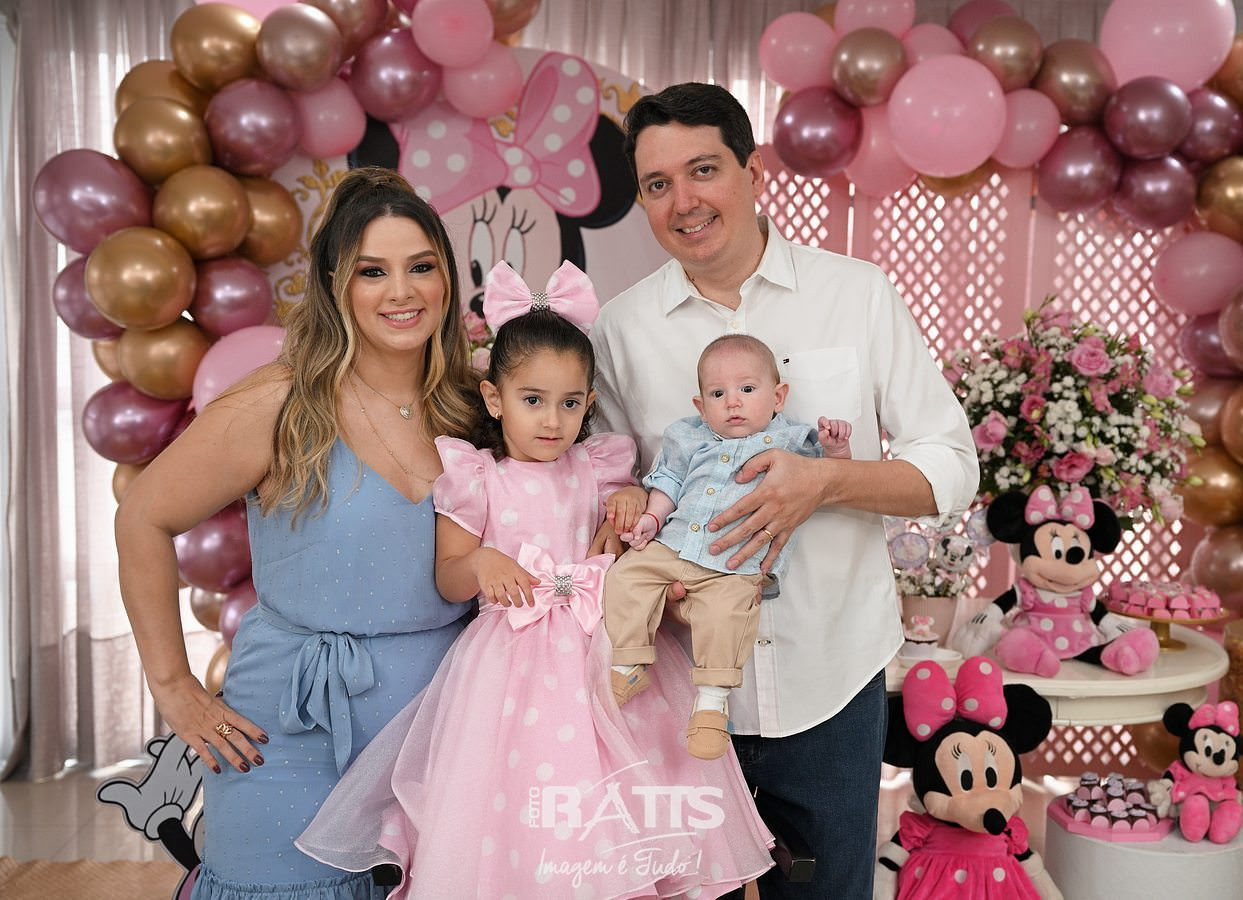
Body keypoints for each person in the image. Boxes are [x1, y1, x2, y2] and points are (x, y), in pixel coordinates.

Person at [589, 83, 980, 898]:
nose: (683, 201)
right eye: (657, 184)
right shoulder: (619, 331)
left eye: (703, 170)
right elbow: (614, 489)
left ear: (753, 171)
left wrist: (826, 480)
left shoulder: (856, 293)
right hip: (684, 687)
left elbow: (950, 464)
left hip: (831, 677)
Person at [297, 260, 775, 899]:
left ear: (588, 405)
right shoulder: (477, 476)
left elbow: (629, 537)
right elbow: (448, 576)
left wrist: (631, 500)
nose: (552, 420)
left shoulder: (598, 467)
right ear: (495, 399)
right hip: (512, 664)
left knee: (625, 791)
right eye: (532, 400)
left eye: (570, 403)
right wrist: (480, 564)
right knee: (528, 802)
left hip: (604, 646)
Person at [114, 167, 481, 899]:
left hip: (446, 738)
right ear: (336, 285)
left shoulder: (479, 405)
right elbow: (141, 517)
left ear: (446, 279)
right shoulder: (280, 402)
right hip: (290, 737)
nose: (402, 291)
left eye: (421, 267)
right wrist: (173, 686)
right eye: (372, 271)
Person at [604, 333, 851, 761]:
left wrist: (836, 449)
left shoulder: (793, 440)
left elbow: (827, 479)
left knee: (726, 618)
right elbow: (669, 482)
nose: (733, 402)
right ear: (701, 406)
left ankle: (711, 705)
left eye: (747, 389)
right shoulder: (687, 436)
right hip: (674, 544)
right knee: (625, 577)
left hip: (734, 564)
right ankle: (628, 661)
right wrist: (651, 519)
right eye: (718, 394)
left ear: (778, 397)